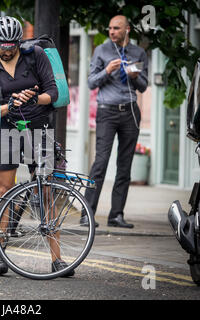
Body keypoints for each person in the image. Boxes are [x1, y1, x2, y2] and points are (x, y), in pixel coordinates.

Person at [0, 16, 74, 277]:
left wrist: (33, 99)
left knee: (46, 191)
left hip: (39, 128)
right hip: (7, 129)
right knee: (3, 189)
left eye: (13, 46)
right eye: (3, 46)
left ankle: (57, 260)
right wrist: (12, 105)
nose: (8, 51)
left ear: (19, 42)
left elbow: (53, 93)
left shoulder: (36, 55)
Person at [82, 15, 148, 229]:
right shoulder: (101, 50)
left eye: (116, 28)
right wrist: (107, 70)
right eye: (110, 28)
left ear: (127, 29)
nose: (112, 31)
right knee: (100, 163)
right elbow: (91, 82)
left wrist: (134, 74)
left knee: (125, 166)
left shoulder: (138, 53)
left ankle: (116, 215)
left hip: (130, 111)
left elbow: (144, 86)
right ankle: (87, 214)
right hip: (107, 112)